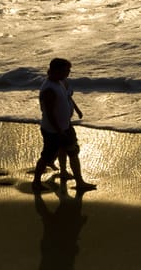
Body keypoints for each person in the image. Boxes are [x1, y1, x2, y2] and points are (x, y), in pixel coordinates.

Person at [32, 58, 96, 191]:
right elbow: (48, 113)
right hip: (53, 130)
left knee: (71, 151)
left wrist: (77, 109)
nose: (68, 73)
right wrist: (59, 131)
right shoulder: (49, 89)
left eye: (68, 70)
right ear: (56, 70)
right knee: (46, 157)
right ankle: (36, 182)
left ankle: (74, 179)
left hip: (65, 126)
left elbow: (68, 96)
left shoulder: (61, 81)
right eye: (66, 70)